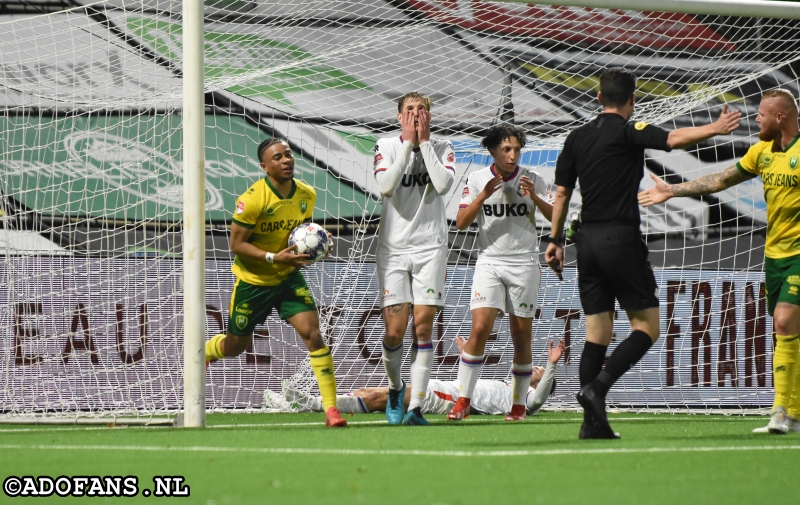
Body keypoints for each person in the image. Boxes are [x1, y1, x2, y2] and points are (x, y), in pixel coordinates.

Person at [544, 67, 741, 439]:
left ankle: (592, 425)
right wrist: (714, 129)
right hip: (620, 238)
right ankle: (596, 390)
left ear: (599, 98)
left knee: (597, 333)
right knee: (647, 327)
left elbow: (561, 195)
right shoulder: (630, 131)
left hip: (584, 243)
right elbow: (674, 138)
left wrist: (554, 241)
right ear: (632, 101)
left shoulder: (575, 137)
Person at [638, 88, 800, 435]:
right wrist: (672, 190)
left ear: (780, 117)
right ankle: (795, 412)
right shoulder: (762, 152)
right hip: (774, 255)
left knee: (785, 322)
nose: (755, 119)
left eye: (761, 114)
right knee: (785, 332)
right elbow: (720, 180)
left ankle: (780, 412)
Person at [204, 137, 346, 428]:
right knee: (235, 347)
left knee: (314, 335)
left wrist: (319, 242)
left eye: (288, 155)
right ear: (264, 166)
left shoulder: (306, 194)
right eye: (278, 157)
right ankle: (205, 352)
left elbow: (300, 233)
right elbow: (236, 244)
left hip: (287, 278)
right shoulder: (252, 199)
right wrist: (272, 257)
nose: (286, 160)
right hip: (253, 281)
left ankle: (332, 411)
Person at [447, 123, 554, 422]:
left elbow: (556, 217)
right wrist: (482, 195)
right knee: (479, 329)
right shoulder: (477, 179)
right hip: (490, 261)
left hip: (523, 263)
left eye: (516, 149)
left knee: (521, 337)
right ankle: (463, 401)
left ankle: (518, 406)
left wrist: (536, 198)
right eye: (506, 149)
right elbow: (461, 222)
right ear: (493, 150)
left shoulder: (533, 179)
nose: (512, 155)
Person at [372, 92, 455, 425]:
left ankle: (416, 407)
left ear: (430, 116)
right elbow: (386, 186)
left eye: (422, 110)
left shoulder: (444, 148)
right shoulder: (386, 145)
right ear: (398, 117)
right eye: (409, 110)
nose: (416, 115)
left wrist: (423, 145)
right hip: (393, 249)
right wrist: (408, 145)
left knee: (423, 328)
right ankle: (395, 388)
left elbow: (443, 183)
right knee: (394, 330)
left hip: (430, 248)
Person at [281, 337, 564, 417]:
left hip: (444, 398)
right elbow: (466, 385)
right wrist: (467, 357)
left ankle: (313, 404)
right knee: (367, 391)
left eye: (539, 371)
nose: (536, 367)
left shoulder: (525, 399)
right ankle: (320, 402)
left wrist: (550, 368)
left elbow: (538, 400)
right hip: (446, 390)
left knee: (381, 397)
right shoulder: (506, 386)